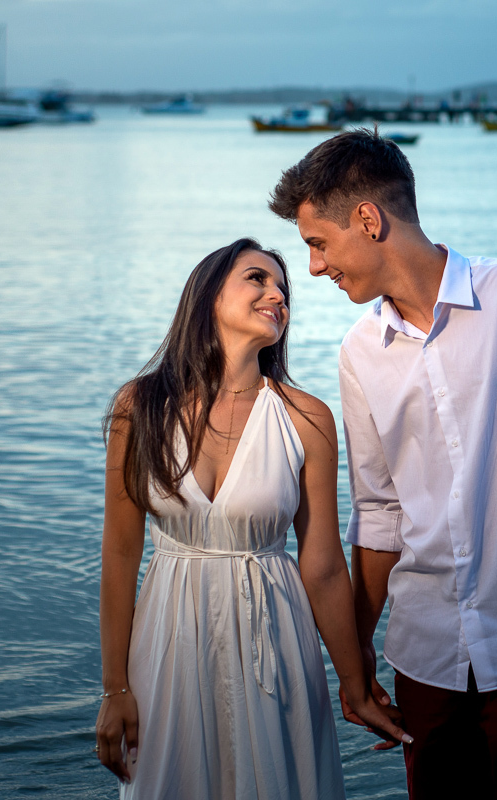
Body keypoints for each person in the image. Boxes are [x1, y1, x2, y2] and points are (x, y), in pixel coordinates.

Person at [268, 130, 497, 799]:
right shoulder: (359, 352)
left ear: (368, 220)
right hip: (424, 659)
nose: (315, 267)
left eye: (318, 242)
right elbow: (378, 512)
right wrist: (357, 659)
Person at [94, 238, 410, 799]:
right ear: (208, 295)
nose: (277, 295)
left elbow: (323, 566)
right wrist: (114, 689)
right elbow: (120, 553)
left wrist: (354, 681)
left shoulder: (307, 418)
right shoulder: (138, 406)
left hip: (275, 633)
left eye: (283, 290)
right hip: (169, 635)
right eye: (257, 279)